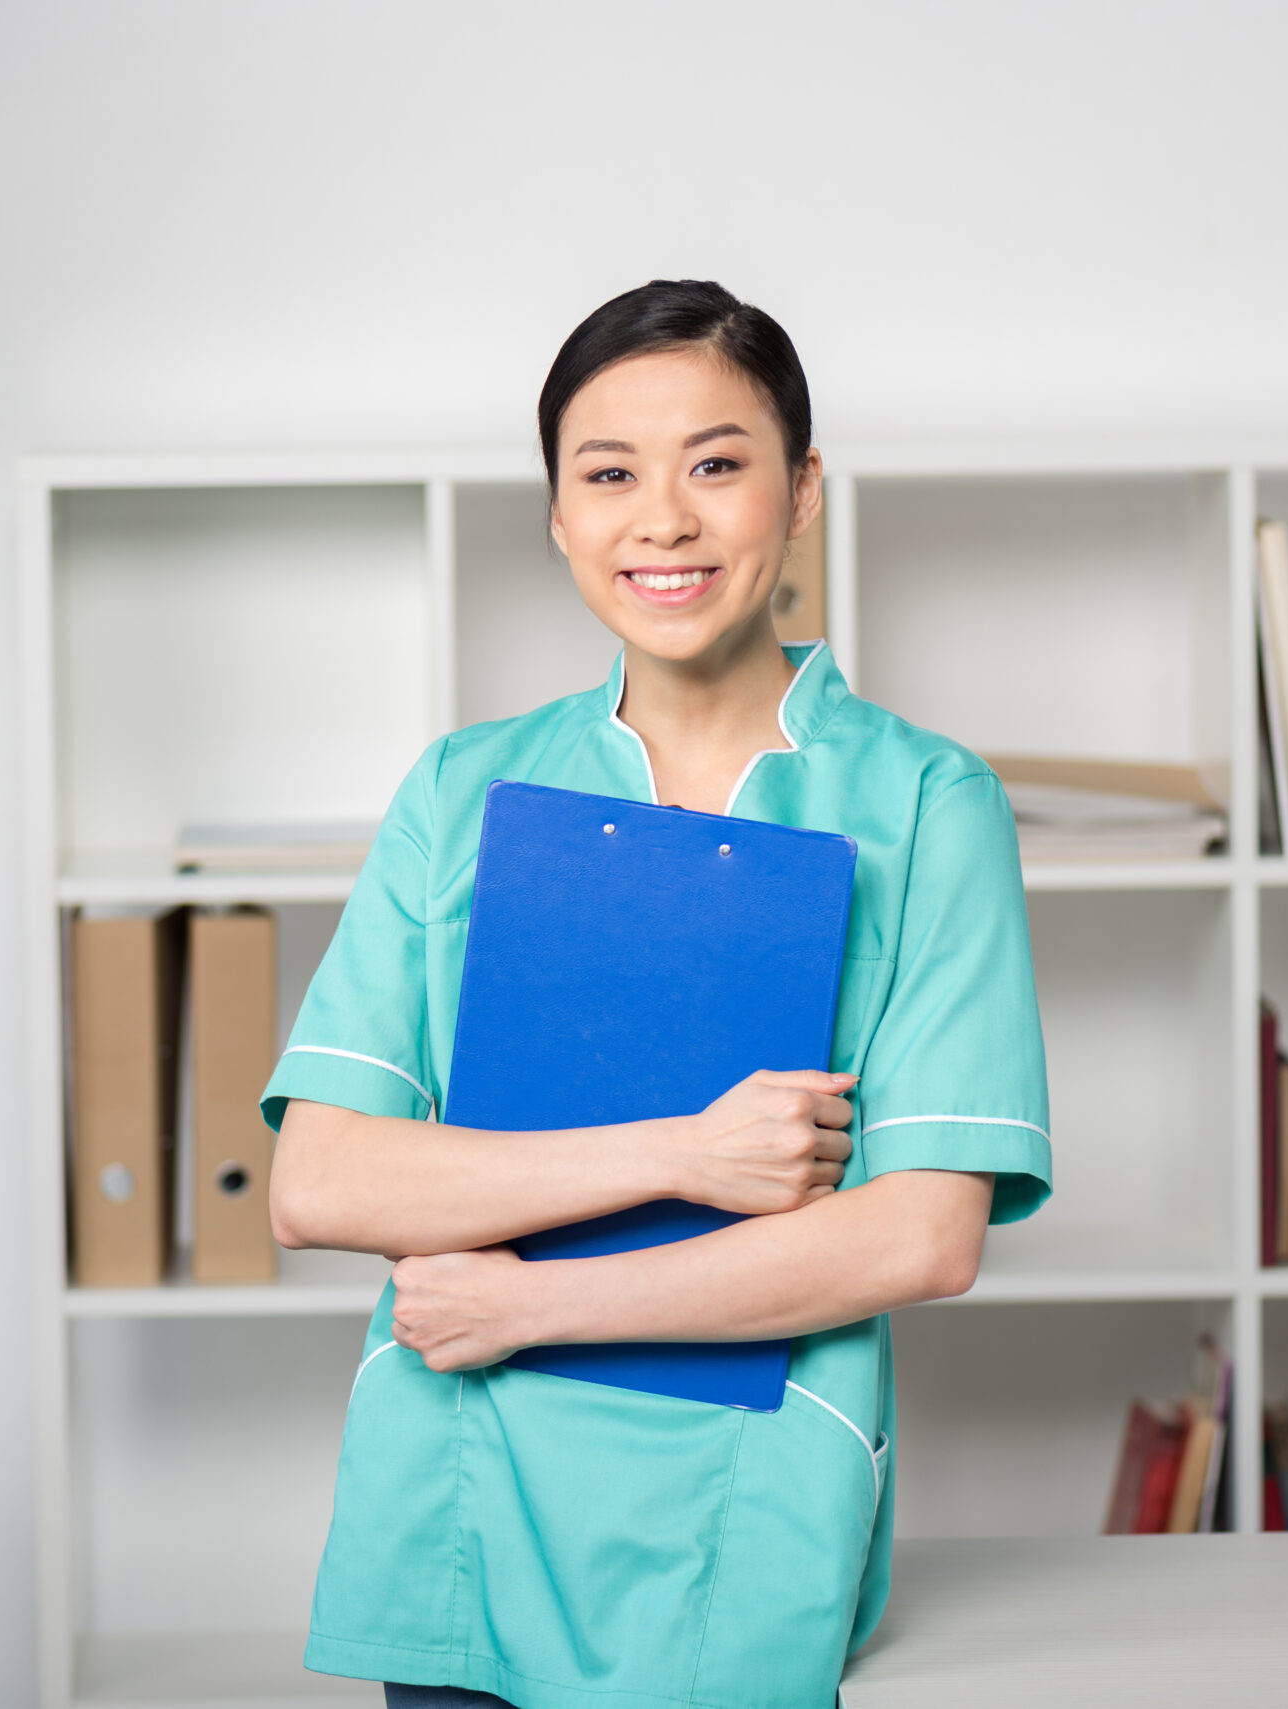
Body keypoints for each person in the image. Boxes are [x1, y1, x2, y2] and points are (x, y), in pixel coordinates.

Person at [261, 279, 1052, 1709]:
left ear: (801, 492)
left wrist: (529, 1306)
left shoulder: (930, 803)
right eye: (610, 474)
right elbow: (321, 1179)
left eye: (718, 464)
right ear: (560, 515)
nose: (664, 519)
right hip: (458, 1498)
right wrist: (686, 1153)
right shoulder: (463, 789)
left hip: (740, 1513)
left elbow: (925, 1234)